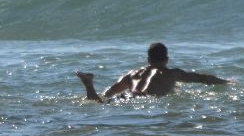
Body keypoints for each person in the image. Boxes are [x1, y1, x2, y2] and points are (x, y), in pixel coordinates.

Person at [75, 42, 229, 102]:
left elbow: (109, 92)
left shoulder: (132, 74)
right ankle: (88, 84)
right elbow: (202, 78)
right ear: (166, 59)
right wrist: (225, 82)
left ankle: (89, 84)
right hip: (145, 99)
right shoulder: (172, 73)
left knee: (100, 102)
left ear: (148, 59)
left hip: (128, 95)